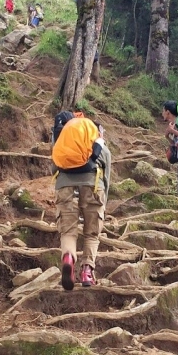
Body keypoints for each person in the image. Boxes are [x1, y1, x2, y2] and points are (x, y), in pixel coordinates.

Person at [51, 112, 111, 290]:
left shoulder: (63, 144)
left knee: (68, 231)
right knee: (92, 233)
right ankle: (87, 271)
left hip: (64, 186)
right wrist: (103, 201)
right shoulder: (101, 147)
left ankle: (68, 258)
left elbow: (55, 167)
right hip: (93, 185)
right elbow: (106, 176)